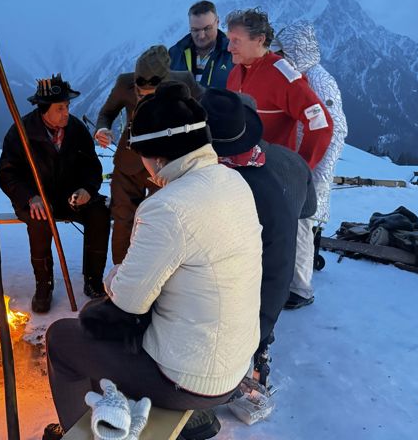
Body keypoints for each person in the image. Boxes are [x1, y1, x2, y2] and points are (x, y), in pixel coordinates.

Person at [45, 82, 262, 439]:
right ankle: (193, 417)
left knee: (63, 339)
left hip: (191, 378)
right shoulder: (232, 181)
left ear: (159, 157)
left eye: (143, 157)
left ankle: (80, 431)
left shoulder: (168, 207)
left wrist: (114, 276)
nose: (145, 169)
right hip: (236, 361)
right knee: (105, 324)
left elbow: (128, 299)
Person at [203, 88, 314, 386]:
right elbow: (309, 211)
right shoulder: (292, 161)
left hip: (239, 275)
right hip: (279, 262)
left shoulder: (225, 178)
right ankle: (260, 353)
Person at [0, 74, 111, 313]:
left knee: (100, 211)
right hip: (35, 198)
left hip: (69, 196)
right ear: (44, 110)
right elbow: (7, 175)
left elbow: (92, 167)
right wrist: (31, 197)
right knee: (40, 218)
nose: (66, 113)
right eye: (60, 108)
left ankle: (93, 280)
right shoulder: (22, 131)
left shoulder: (76, 130)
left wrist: (87, 190)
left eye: (67, 107)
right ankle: (44, 284)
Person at [95, 45, 203, 265]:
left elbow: (204, 112)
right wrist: (101, 129)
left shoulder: (185, 81)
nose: (142, 96)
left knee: (159, 222)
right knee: (123, 220)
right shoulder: (123, 83)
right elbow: (106, 113)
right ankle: (120, 276)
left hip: (166, 164)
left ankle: (155, 278)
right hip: (129, 160)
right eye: (139, 90)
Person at [272, 21, 349, 309]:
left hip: (310, 167)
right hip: (300, 163)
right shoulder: (302, 76)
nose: (278, 56)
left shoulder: (319, 81)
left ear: (296, 50)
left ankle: (300, 289)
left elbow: (336, 129)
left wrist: (315, 169)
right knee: (296, 223)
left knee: (302, 224)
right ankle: (294, 278)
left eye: (282, 51)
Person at [225, 8, 333, 171]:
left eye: (236, 40)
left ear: (259, 40)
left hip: (271, 176)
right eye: (229, 40)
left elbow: (320, 123)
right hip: (237, 174)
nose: (229, 47)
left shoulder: (282, 76)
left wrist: (300, 168)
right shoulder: (235, 73)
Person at [168, 0, 233, 89]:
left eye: (207, 28)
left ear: (217, 22)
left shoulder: (233, 53)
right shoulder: (175, 54)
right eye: (195, 30)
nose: (201, 36)